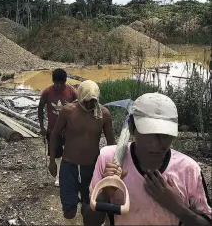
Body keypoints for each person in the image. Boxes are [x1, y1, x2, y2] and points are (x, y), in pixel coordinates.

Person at [83, 92, 212, 226]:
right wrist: (105, 193)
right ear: (132, 129)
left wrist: (177, 207)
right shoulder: (109, 159)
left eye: (165, 135)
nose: (157, 144)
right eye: (148, 134)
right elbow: (89, 221)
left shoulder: (188, 169)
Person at [49, 80, 115, 219]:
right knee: (69, 210)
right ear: (80, 97)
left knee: (90, 207)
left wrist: (112, 169)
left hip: (92, 168)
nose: (91, 104)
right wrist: (52, 161)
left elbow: (111, 145)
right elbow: (54, 134)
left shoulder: (103, 114)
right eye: (87, 100)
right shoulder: (68, 112)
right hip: (69, 166)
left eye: (94, 101)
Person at [38, 68, 77, 186]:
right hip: (53, 129)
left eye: (62, 83)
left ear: (65, 81)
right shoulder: (47, 92)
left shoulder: (71, 91)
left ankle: (71, 176)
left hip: (69, 129)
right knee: (56, 154)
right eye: (56, 83)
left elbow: (79, 106)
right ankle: (59, 176)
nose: (59, 86)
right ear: (53, 81)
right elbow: (40, 109)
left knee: (71, 153)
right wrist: (42, 127)